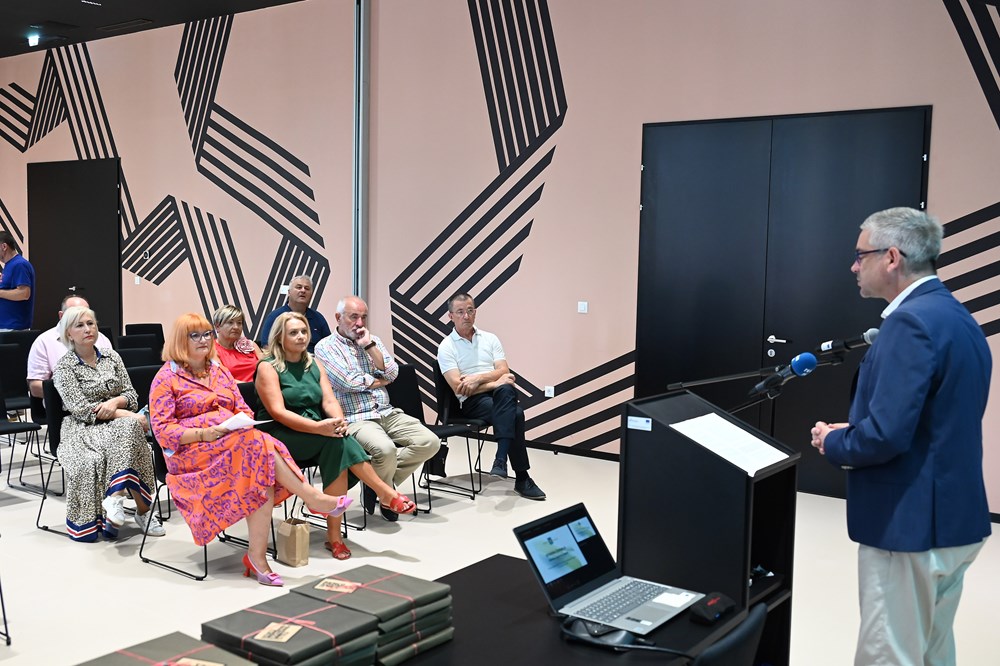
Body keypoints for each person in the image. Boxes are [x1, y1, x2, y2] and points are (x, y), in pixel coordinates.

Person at [809, 207, 991, 666]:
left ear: (891, 258)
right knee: (932, 650)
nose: (853, 266)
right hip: (953, 518)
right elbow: (935, 419)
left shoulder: (909, 324)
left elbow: (885, 437)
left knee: (888, 654)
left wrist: (834, 441)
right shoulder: (955, 316)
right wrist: (862, 430)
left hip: (909, 526)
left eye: (860, 255)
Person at [149, 312, 350, 586]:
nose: (203, 340)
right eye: (194, 335)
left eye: (206, 334)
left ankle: (258, 557)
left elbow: (242, 408)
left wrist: (238, 422)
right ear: (179, 340)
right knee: (259, 446)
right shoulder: (165, 378)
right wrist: (205, 433)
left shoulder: (218, 371)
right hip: (192, 454)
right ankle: (310, 498)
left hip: (233, 444)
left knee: (258, 454)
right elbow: (162, 431)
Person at [256, 312, 416, 559]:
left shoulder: (313, 363)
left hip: (315, 426)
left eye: (303, 331)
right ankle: (384, 493)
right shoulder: (268, 367)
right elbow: (278, 412)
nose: (301, 337)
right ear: (279, 337)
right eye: (293, 333)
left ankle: (336, 533)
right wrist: (320, 428)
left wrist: (338, 422)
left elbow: (329, 400)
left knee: (338, 445)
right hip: (280, 432)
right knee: (337, 444)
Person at [314, 296, 440, 521]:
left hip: (386, 411)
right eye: (354, 317)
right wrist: (379, 380)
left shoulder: (373, 341)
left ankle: (378, 486)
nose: (360, 323)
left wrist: (369, 347)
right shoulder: (325, 347)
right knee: (386, 449)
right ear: (338, 318)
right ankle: (387, 494)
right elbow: (347, 382)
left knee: (430, 442)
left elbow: (393, 373)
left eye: (363, 317)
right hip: (356, 417)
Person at [51, 306, 164, 542]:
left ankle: (115, 498)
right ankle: (143, 511)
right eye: (80, 325)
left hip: (116, 423)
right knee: (129, 430)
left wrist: (115, 402)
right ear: (69, 333)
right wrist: (125, 413)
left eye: (90, 323)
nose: (87, 329)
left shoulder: (112, 357)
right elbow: (82, 410)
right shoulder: (64, 367)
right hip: (82, 428)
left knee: (129, 429)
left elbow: (132, 395)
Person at [436, 293, 545, 500]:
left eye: (470, 310)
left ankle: (501, 461)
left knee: (506, 391)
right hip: (471, 402)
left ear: (475, 312)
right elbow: (459, 388)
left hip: (497, 395)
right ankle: (520, 476)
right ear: (451, 316)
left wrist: (477, 378)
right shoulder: (446, 347)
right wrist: (496, 381)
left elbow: (504, 369)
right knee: (515, 413)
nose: (466, 316)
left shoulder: (490, 338)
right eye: (460, 312)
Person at [27, 294, 113, 398]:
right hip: (63, 403)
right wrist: (75, 393)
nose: (86, 328)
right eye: (75, 314)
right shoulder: (44, 341)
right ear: (61, 316)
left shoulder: (102, 339)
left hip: (106, 399)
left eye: (86, 313)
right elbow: (35, 387)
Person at [257, 275, 330, 353]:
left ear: (311, 294)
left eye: (307, 288)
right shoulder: (275, 317)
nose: (303, 290)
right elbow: (267, 347)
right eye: (299, 287)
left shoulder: (318, 318)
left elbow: (329, 346)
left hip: (314, 359)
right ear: (289, 292)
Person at [213, 304, 263, 382]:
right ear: (217, 327)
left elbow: (268, 368)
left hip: (260, 387)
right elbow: (222, 378)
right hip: (234, 388)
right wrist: (251, 387)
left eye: (239, 323)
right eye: (230, 322)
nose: (236, 327)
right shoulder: (212, 349)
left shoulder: (251, 345)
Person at [0, 230, 34, 331]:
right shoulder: (9, 265)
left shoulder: (19, 264)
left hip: (13, 328)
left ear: (4, 246)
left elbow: (24, 293)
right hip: (7, 327)